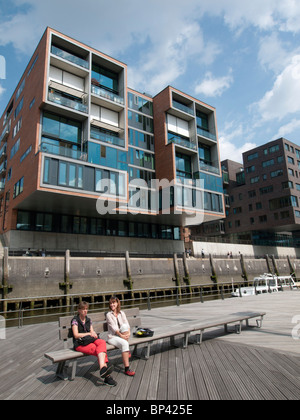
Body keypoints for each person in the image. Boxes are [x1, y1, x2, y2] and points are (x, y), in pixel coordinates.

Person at [71, 301, 117, 387]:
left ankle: (103, 369)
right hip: (80, 343)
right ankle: (106, 375)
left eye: (86, 309)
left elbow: (92, 331)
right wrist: (88, 333)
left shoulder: (88, 320)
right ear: (79, 310)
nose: (85, 311)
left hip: (89, 340)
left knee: (102, 342)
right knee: (99, 350)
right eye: (83, 309)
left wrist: (94, 333)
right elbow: (76, 335)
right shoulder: (75, 320)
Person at [106, 296, 135, 377]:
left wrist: (128, 333)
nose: (112, 305)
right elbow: (114, 328)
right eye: (110, 303)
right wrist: (121, 336)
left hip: (123, 335)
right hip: (113, 337)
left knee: (125, 326)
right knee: (125, 344)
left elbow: (127, 324)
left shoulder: (122, 313)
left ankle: (126, 349)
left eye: (113, 303)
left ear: (117, 303)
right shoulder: (109, 315)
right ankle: (127, 369)